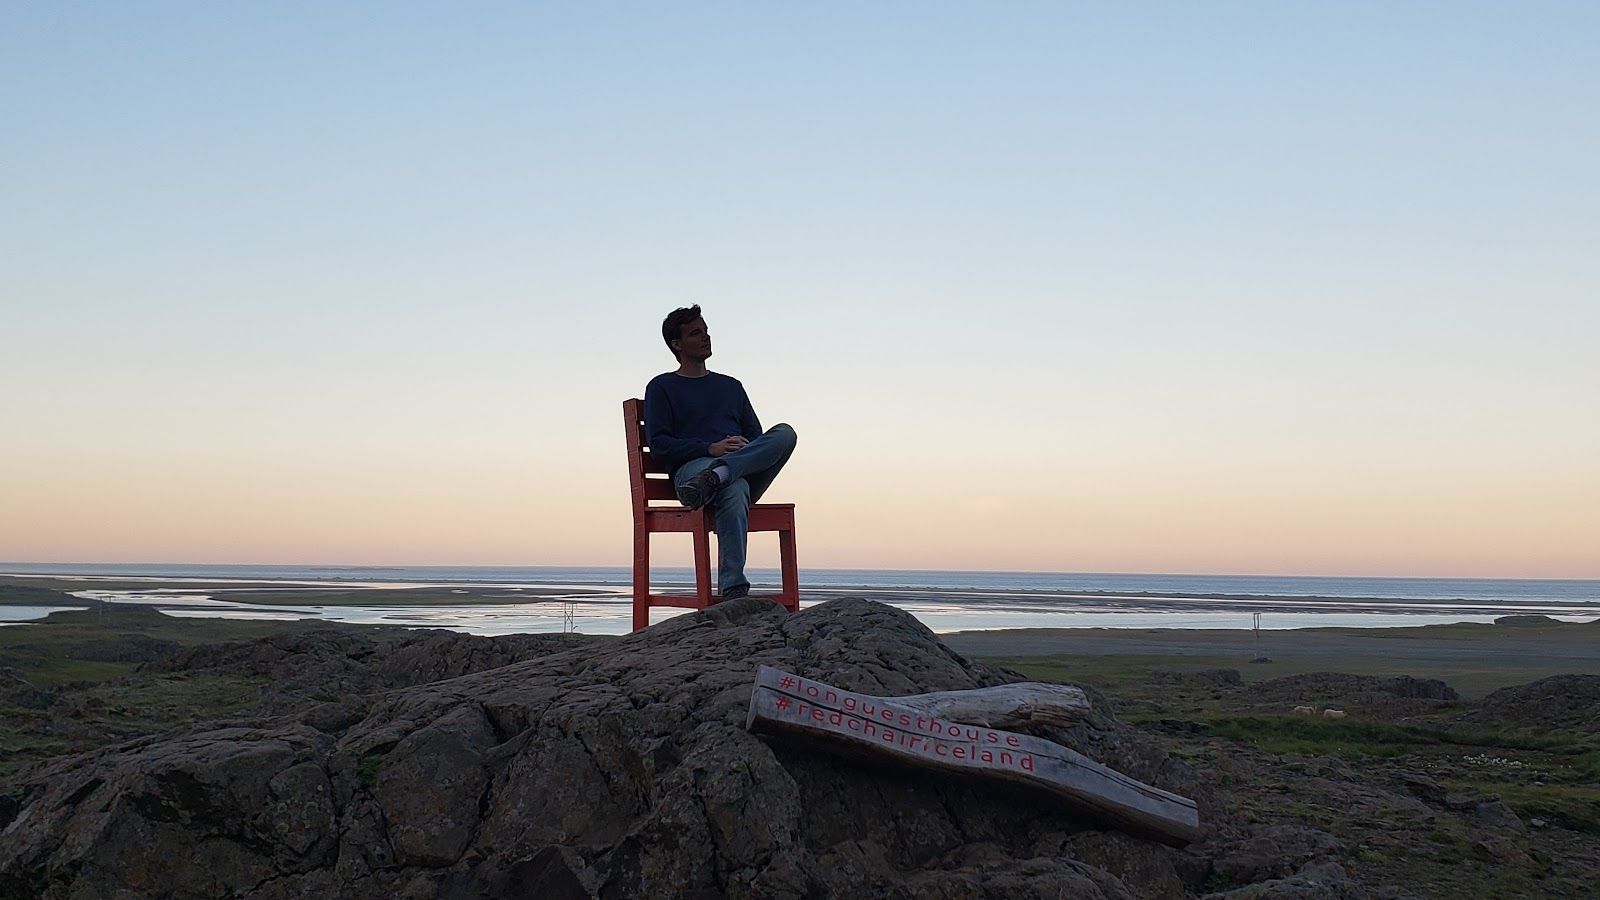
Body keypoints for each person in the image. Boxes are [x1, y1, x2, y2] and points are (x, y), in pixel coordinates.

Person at [644, 305, 797, 602]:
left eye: (706, 330)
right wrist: (709, 448)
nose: (706, 337)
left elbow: (759, 439)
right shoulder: (662, 387)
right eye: (695, 333)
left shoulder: (731, 386)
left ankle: (721, 473)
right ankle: (733, 589)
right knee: (734, 485)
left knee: (785, 433)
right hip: (693, 475)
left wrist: (741, 447)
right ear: (677, 345)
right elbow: (660, 444)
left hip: (738, 470)